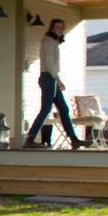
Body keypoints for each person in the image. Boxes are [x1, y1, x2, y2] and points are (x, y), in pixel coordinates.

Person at [25, 18, 81, 148]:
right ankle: (30, 138)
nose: (60, 30)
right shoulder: (49, 42)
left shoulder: (53, 42)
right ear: (51, 28)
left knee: (63, 109)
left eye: (61, 28)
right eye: (57, 27)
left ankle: (74, 140)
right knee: (46, 109)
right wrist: (58, 79)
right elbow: (49, 62)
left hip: (50, 78)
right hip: (48, 78)